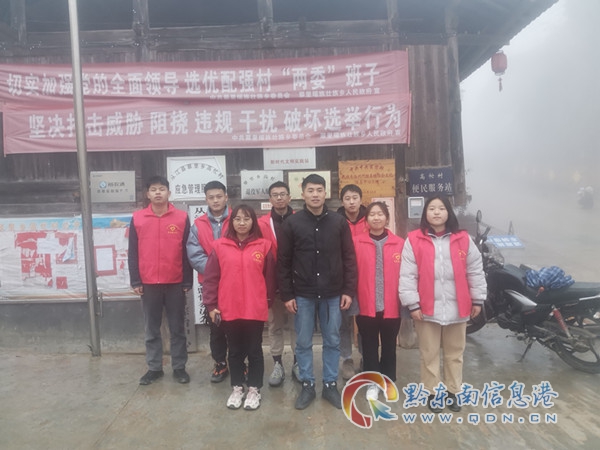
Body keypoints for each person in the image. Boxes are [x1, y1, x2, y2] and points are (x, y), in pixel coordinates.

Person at [399, 195, 486, 413]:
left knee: (455, 353)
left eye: (441, 208)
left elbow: (475, 270)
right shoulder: (414, 239)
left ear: (449, 212)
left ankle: (453, 391)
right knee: (429, 353)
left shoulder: (463, 239)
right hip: (426, 308)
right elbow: (407, 275)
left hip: (458, 307)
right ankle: (432, 393)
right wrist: (413, 304)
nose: (436, 212)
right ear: (425, 213)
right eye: (431, 208)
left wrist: (477, 299)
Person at [278, 174, 357, 410]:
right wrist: (287, 294)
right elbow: (283, 262)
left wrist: (348, 290)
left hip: (333, 293)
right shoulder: (292, 224)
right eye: (310, 190)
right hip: (302, 294)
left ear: (325, 193)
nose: (315, 194)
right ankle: (308, 385)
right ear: (303, 194)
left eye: (319, 190)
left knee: (332, 340)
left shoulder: (338, 222)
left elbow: (349, 258)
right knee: (303, 342)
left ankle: (330, 385)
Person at [203, 205, 276, 410]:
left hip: (254, 309)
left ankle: (254, 389)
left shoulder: (264, 246)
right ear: (231, 222)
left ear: (253, 221)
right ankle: (237, 388)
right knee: (234, 351)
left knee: (254, 350)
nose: (242, 223)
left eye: (246, 219)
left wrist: (266, 302)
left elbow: (270, 279)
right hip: (229, 308)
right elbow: (211, 279)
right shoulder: (219, 246)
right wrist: (211, 305)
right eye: (237, 219)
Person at [128, 175, 193, 385]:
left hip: (175, 283)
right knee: (151, 329)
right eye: (154, 189)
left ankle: (179, 367)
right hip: (148, 283)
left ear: (169, 193)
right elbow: (132, 252)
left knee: (177, 328)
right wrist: (136, 280)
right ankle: (154, 368)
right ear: (147, 194)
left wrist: (187, 281)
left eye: (162, 189)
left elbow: (187, 251)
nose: (158, 193)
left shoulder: (181, 217)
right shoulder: (138, 218)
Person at [353, 202, 404, 400]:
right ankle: (372, 383)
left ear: (387, 218)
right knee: (369, 345)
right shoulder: (356, 242)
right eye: (372, 214)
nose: (376, 218)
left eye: (380, 214)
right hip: (366, 305)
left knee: (390, 345)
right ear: (366, 220)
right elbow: (351, 273)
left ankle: (388, 380)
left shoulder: (400, 243)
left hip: (392, 305)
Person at [186, 180, 231, 383]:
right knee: (216, 326)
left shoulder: (238, 219)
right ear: (206, 199)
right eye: (211, 197)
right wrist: (216, 272)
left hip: (236, 284)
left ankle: (241, 363)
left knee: (239, 325)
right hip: (211, 285)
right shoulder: (198, 225)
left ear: (226, 197)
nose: (215, 200)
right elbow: (195, 255)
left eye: (219, 196)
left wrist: (231, 271)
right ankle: (220, 363)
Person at [257, 181, 299, 387]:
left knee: (298, 325)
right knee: (274, 325)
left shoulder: (300, 219)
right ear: (270, 199)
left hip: (297, 283)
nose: (280, 198)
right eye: (275, 195)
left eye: (283, 194)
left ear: (290, 197)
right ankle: (277, 364)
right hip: (272, 282)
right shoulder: (261, 224)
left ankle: (298, 363)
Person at [336, 184, 368, 380]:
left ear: (361, 199)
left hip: (366, 277)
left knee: (365, 321)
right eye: (347, 198)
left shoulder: (370, 219)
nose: (351, 202)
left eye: (355, 198)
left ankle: (366, 356)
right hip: (343, 278)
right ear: (342, 202)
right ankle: (346, 359)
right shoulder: (336, 221)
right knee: (343, 322)